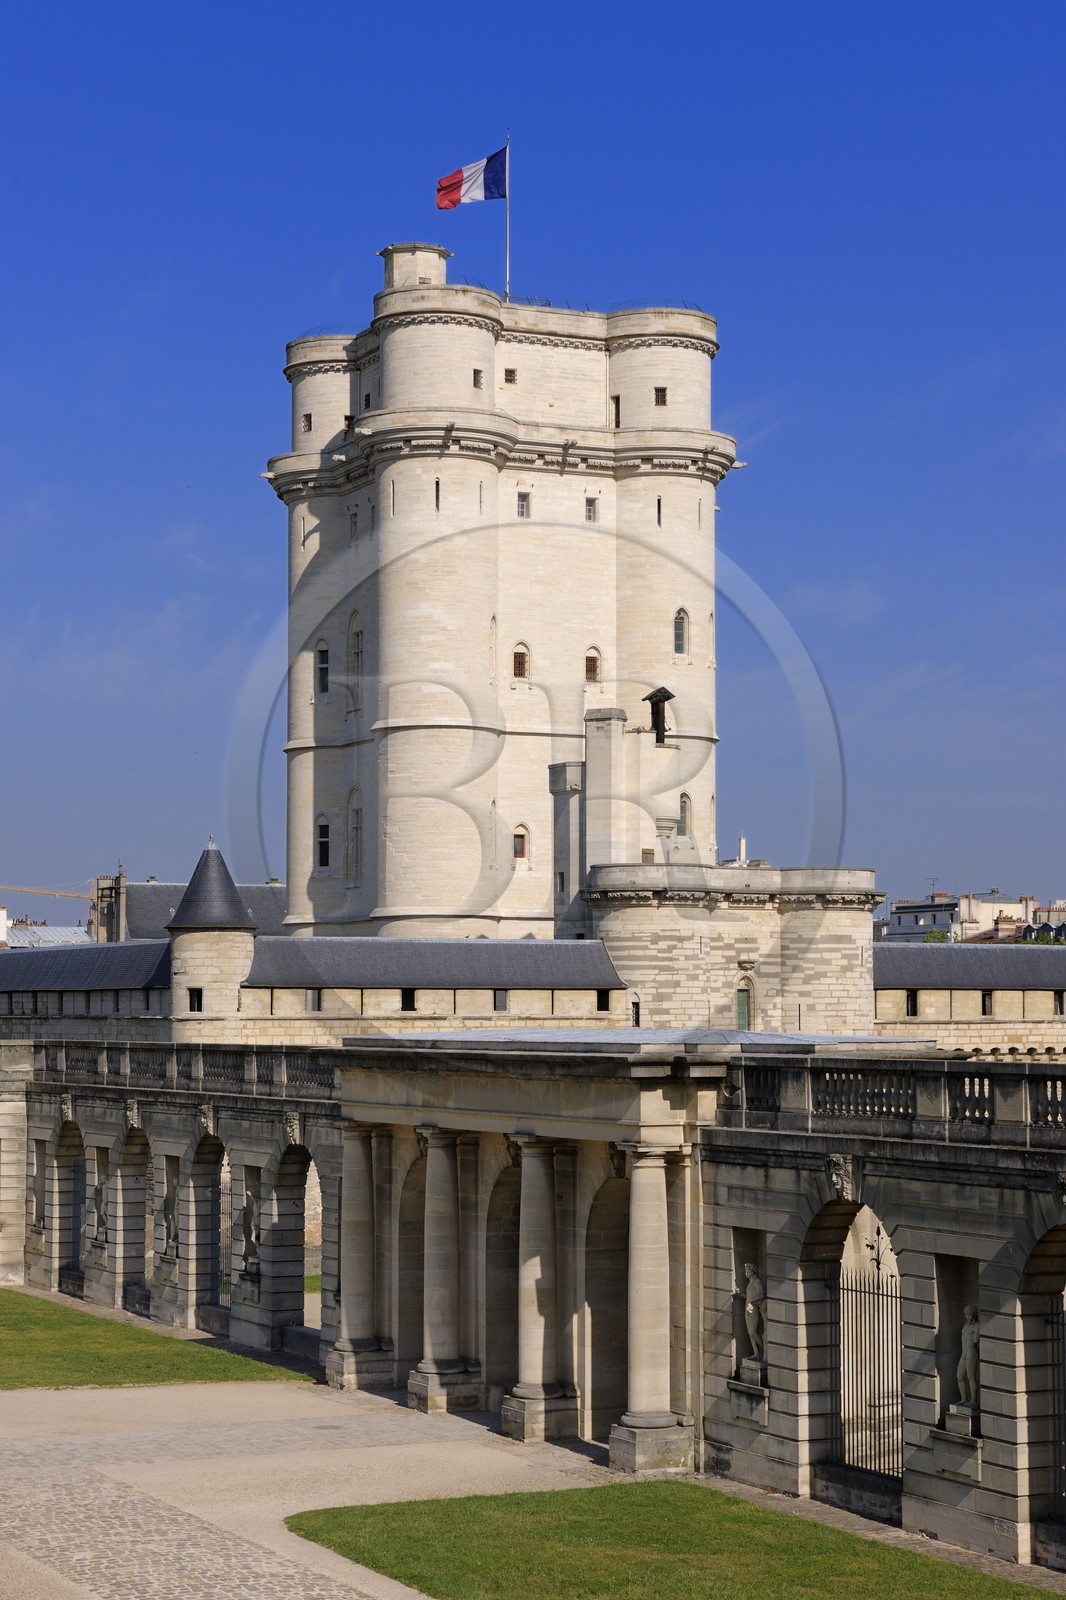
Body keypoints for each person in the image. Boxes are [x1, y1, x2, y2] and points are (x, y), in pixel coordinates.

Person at [957, 1304, 979, 1407]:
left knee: (971, 1377)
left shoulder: (977, 1325)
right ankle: (964, 1399)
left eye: (969, 1315)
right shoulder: (966, 1326)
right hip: (964, 1352)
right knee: (959, 1376)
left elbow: (976, 1340)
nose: (967, 1317)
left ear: (973, 1315)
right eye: (966, 1314)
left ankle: (973, 1400)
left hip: (971, 1352)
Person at [744, 1262, 766, 1360]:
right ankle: (756, 1353)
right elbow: (749, 1297)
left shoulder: (757, 1282)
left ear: (753, 1271)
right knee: (750, 1333)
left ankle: (764, 1349)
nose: (746, 1273)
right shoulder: (750, 1283)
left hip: (754, 1309)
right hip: (747, 1309)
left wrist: (752, 1301)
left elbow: (761, 1295)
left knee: (752, 1332)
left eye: (748, 1271)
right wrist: (740, 1294)